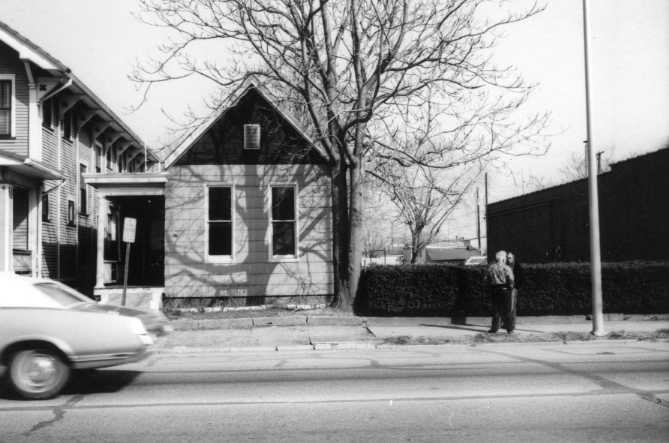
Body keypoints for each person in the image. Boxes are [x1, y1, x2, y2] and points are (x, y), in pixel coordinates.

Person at [486, 250, 514, 334]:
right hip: (505, 289)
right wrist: (510, 287)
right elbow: (511, 279)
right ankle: (509, 329)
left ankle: (494, 328)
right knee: (507, 309)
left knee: (495, 309)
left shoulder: (491, 267)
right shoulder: (506, 268)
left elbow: (487, 279)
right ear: (503, 259)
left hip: (495, 289)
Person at [505, 252, 523, 333]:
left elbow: (520, 278)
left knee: (511, 308)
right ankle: (508, 324)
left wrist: (516, 287)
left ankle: (511, 327)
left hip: (513, 289)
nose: (508, 259)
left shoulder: (517, 266)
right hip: (506, 289)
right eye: (507, 258)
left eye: (510, 258)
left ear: (513, 258)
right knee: (507, 307)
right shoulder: (506, 266)